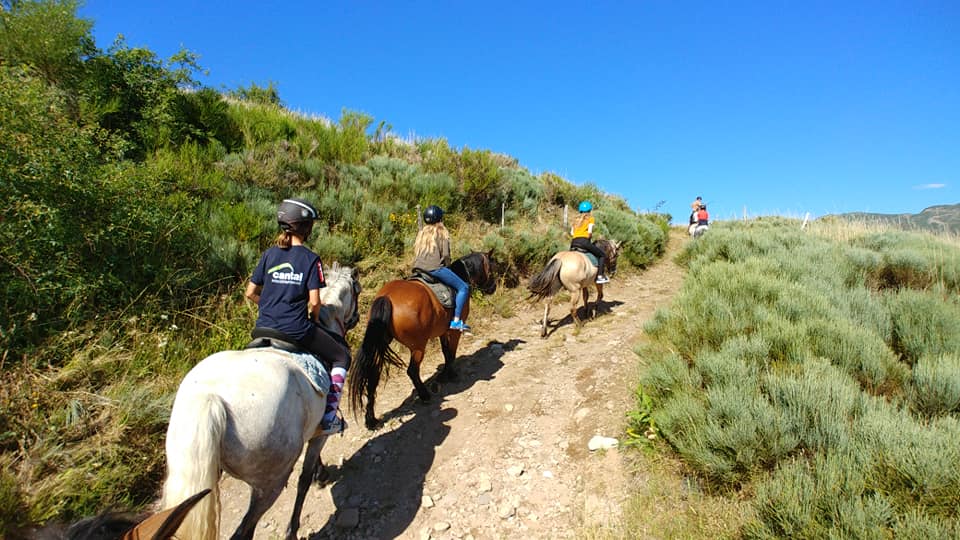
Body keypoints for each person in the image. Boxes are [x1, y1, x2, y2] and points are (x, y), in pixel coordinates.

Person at [245, 198, 350, 435]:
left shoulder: (269, 254)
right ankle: (330, 416)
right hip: (295, 328)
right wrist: (314, 320)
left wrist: (270, 304)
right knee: (342, 355)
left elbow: (250, 293)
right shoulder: (311, 259)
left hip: (262, 327)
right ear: (306, 227)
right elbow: (314, 302)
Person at [412, 205, 472, 332]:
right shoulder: (442, 232)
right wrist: (448, 265)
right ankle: (456, 321)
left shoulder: (422, 233)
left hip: (418, 269)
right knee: (463, 287)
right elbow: (445, 255)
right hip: (435, 269)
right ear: (439, 218)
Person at [570, 200, 609, 284]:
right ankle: (600, 276)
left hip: (573, 243)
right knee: (602, 255)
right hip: (584, 242)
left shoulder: (575, 220)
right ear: (590, 210)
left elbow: (572, 233)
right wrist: (589, 238)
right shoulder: (590, 219)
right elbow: (590, 232)